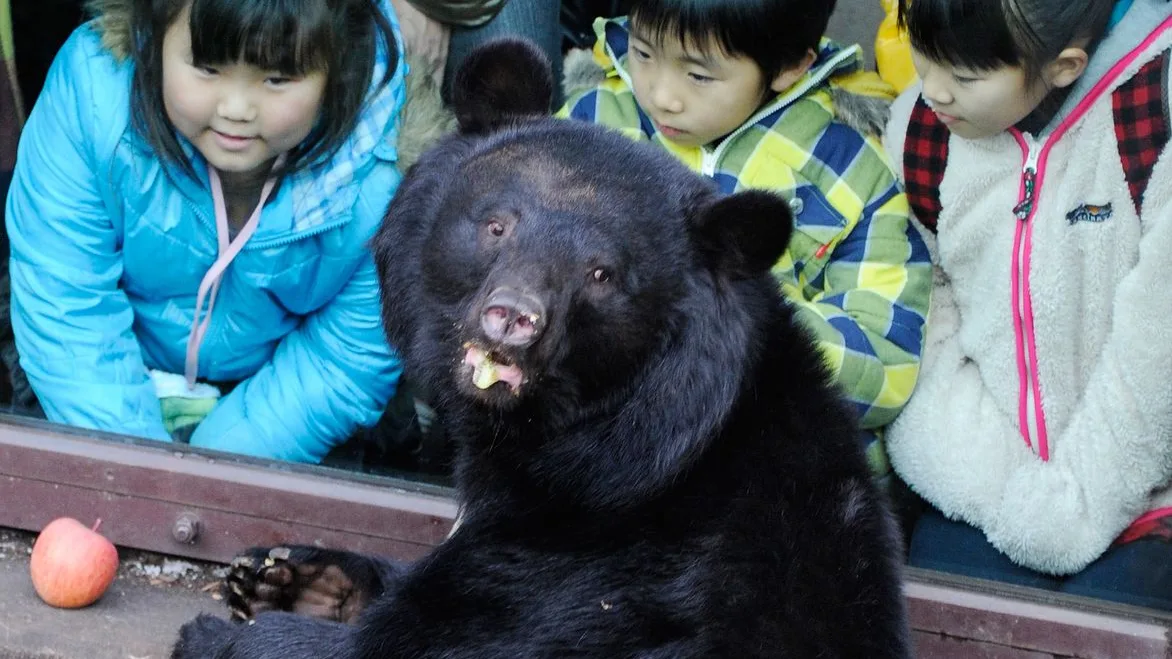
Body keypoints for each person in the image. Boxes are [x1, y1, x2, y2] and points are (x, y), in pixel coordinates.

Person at [4, 0, 409, 463]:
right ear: (153, 33)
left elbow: (344, 360)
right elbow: (66, 299)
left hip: (278, 408)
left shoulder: (384, 175)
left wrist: (214, 473)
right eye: (207, 67)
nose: (236, 109)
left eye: (276, 78)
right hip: (101, 382)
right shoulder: (96, 96)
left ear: (338, 65)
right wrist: (139, 466)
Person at [559, 0, 933, 481]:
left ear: (789, 66)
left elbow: (887, 366)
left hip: (768, 473)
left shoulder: (849, 169)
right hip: (601, 455)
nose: (662, 95)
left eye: (698, 76)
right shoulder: (586, 126)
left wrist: (730, 336)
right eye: (643, 52)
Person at [883, 0, 1172, 609]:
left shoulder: (1154, 108)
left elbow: (1158, 342)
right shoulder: (920, 131)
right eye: (924, 55)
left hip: (1145, 491)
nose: (932, 90)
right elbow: (919, 323)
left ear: (1064, 67)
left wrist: (1079, 505)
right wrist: (998, 486)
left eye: (964, 77)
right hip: (983, 485)